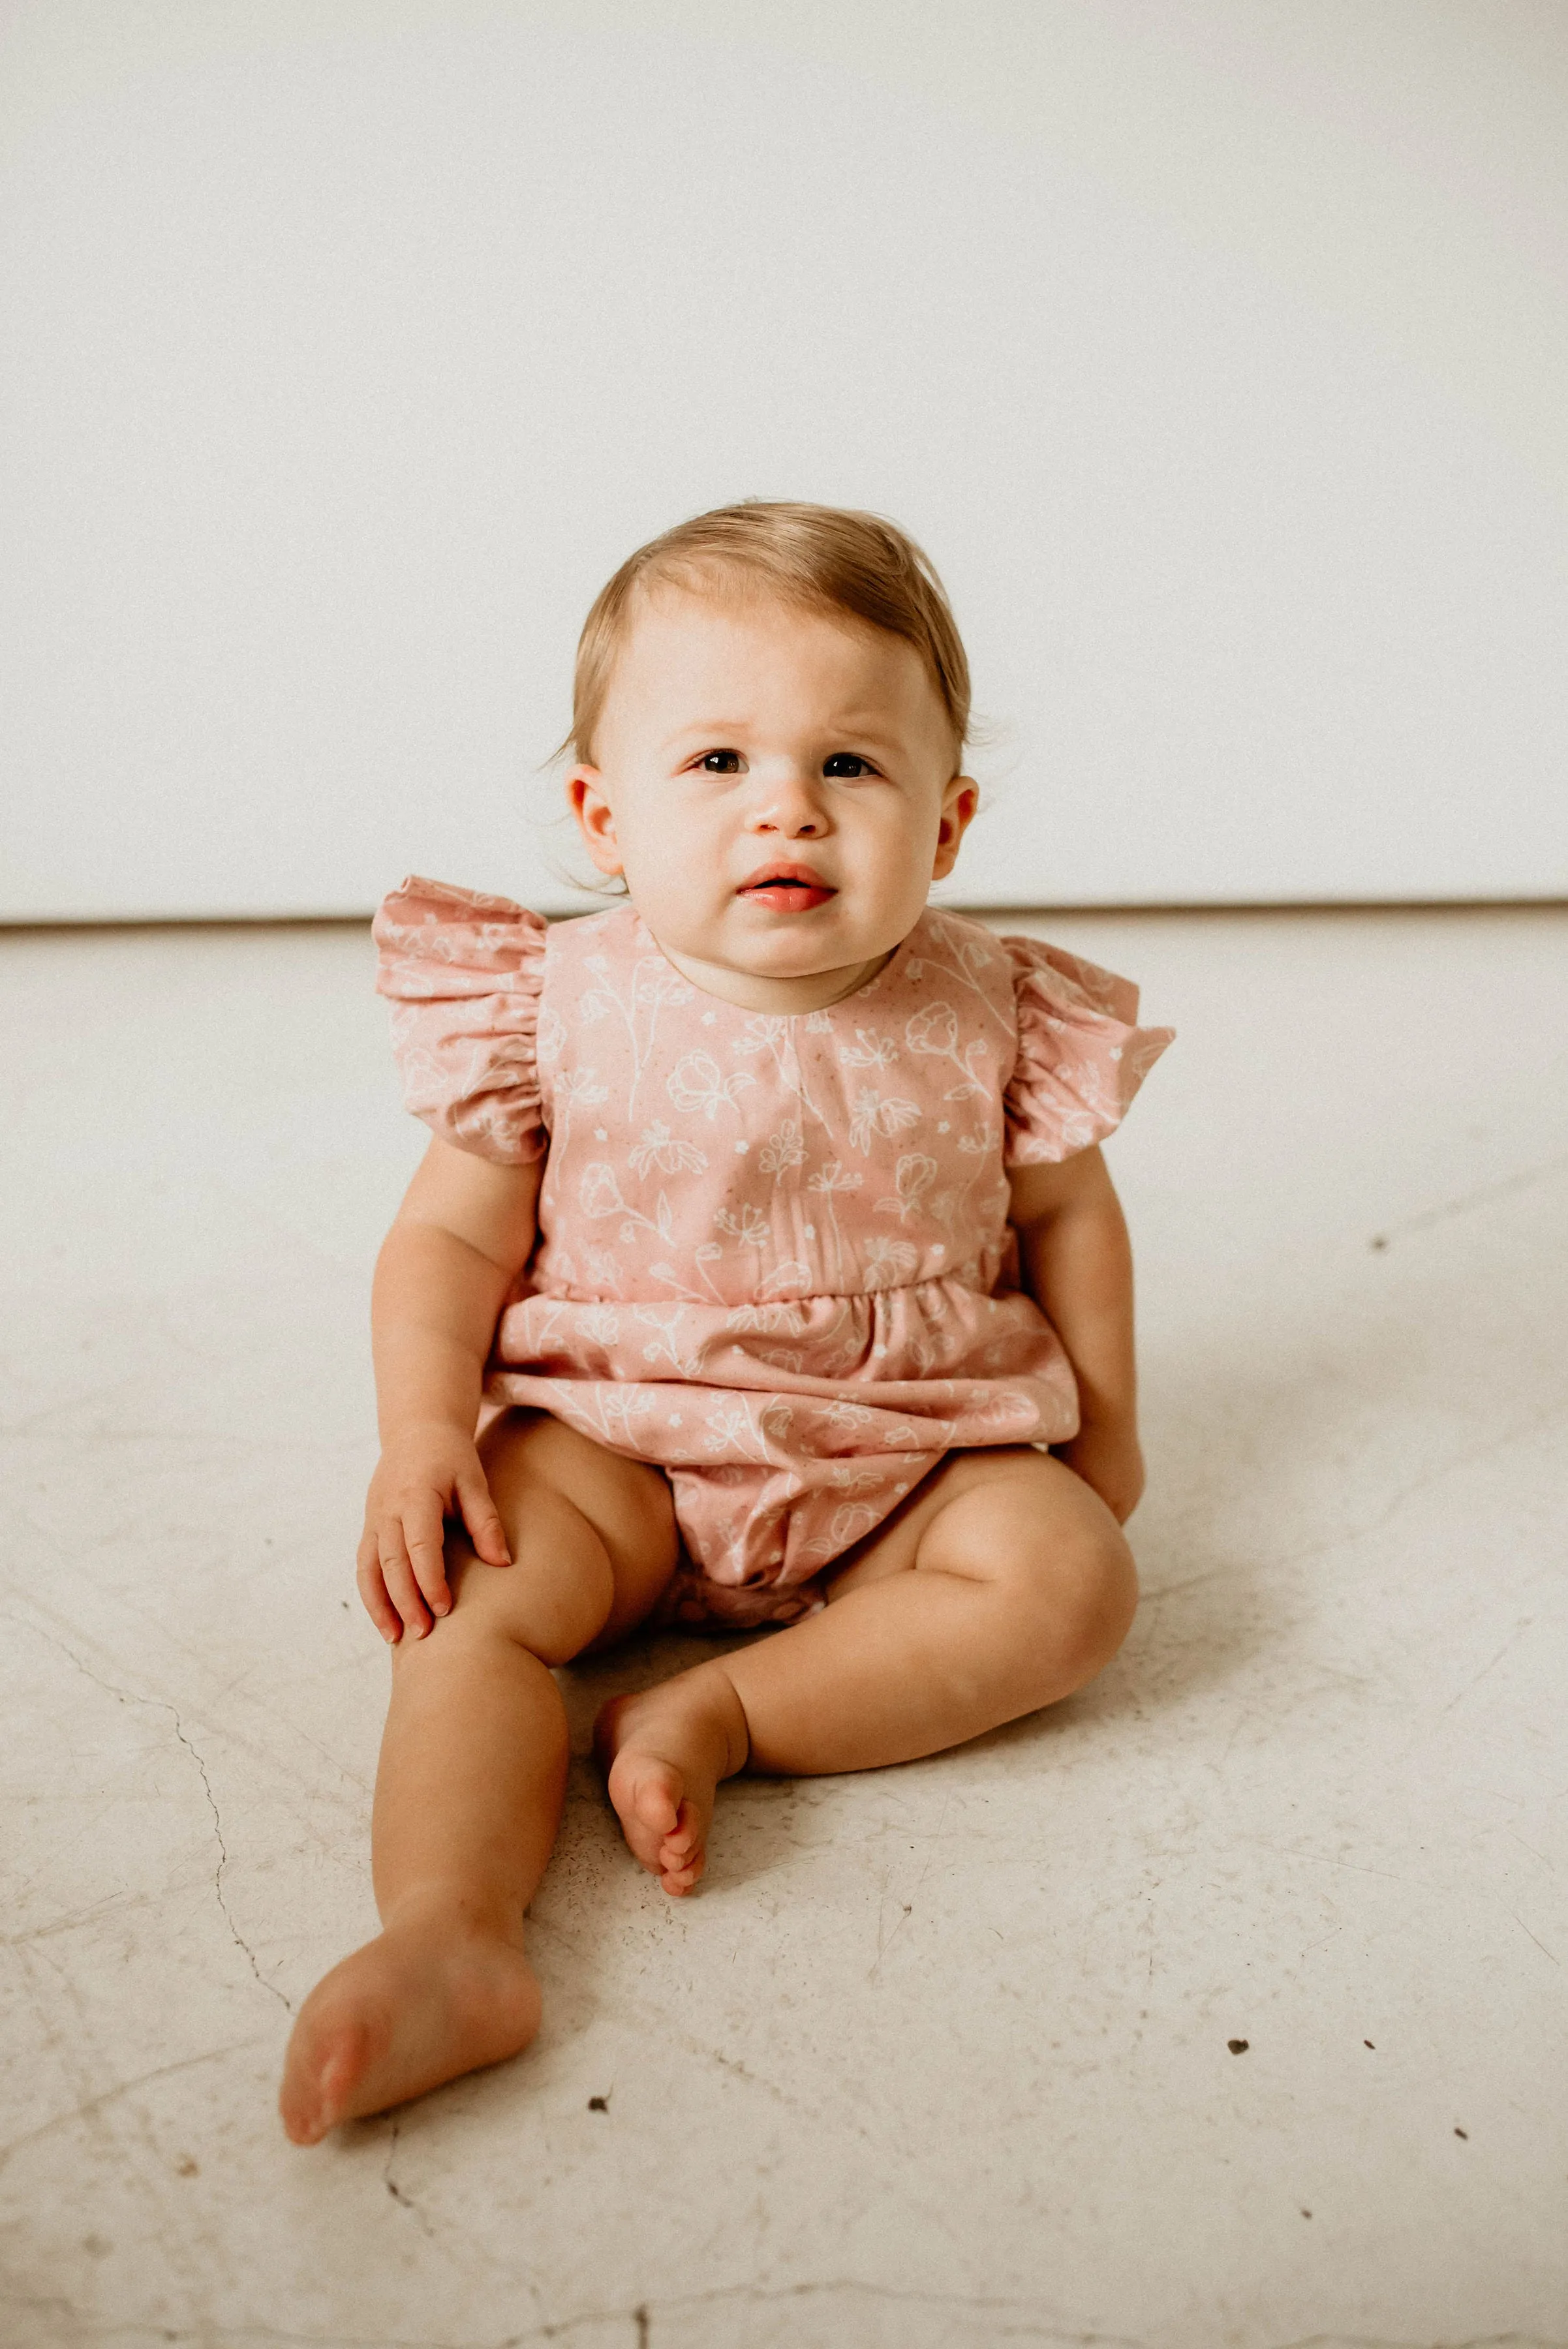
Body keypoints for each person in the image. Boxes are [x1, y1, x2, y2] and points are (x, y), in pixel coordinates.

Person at [279, 501, 1173, 2145]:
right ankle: (451, 1935)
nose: (789, 809)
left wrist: (1103, 1423)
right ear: (597, 813)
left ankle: (727, 1715)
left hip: (911, 1444)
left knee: (1070, 1585)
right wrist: (421, 1434)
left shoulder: (998, 1005)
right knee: (463, 1611)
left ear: (950, 822)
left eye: (851, 766)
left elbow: (1068, 1222)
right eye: (716, 765)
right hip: (617, 1433)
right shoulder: (550, 1001)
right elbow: (449, 1238)